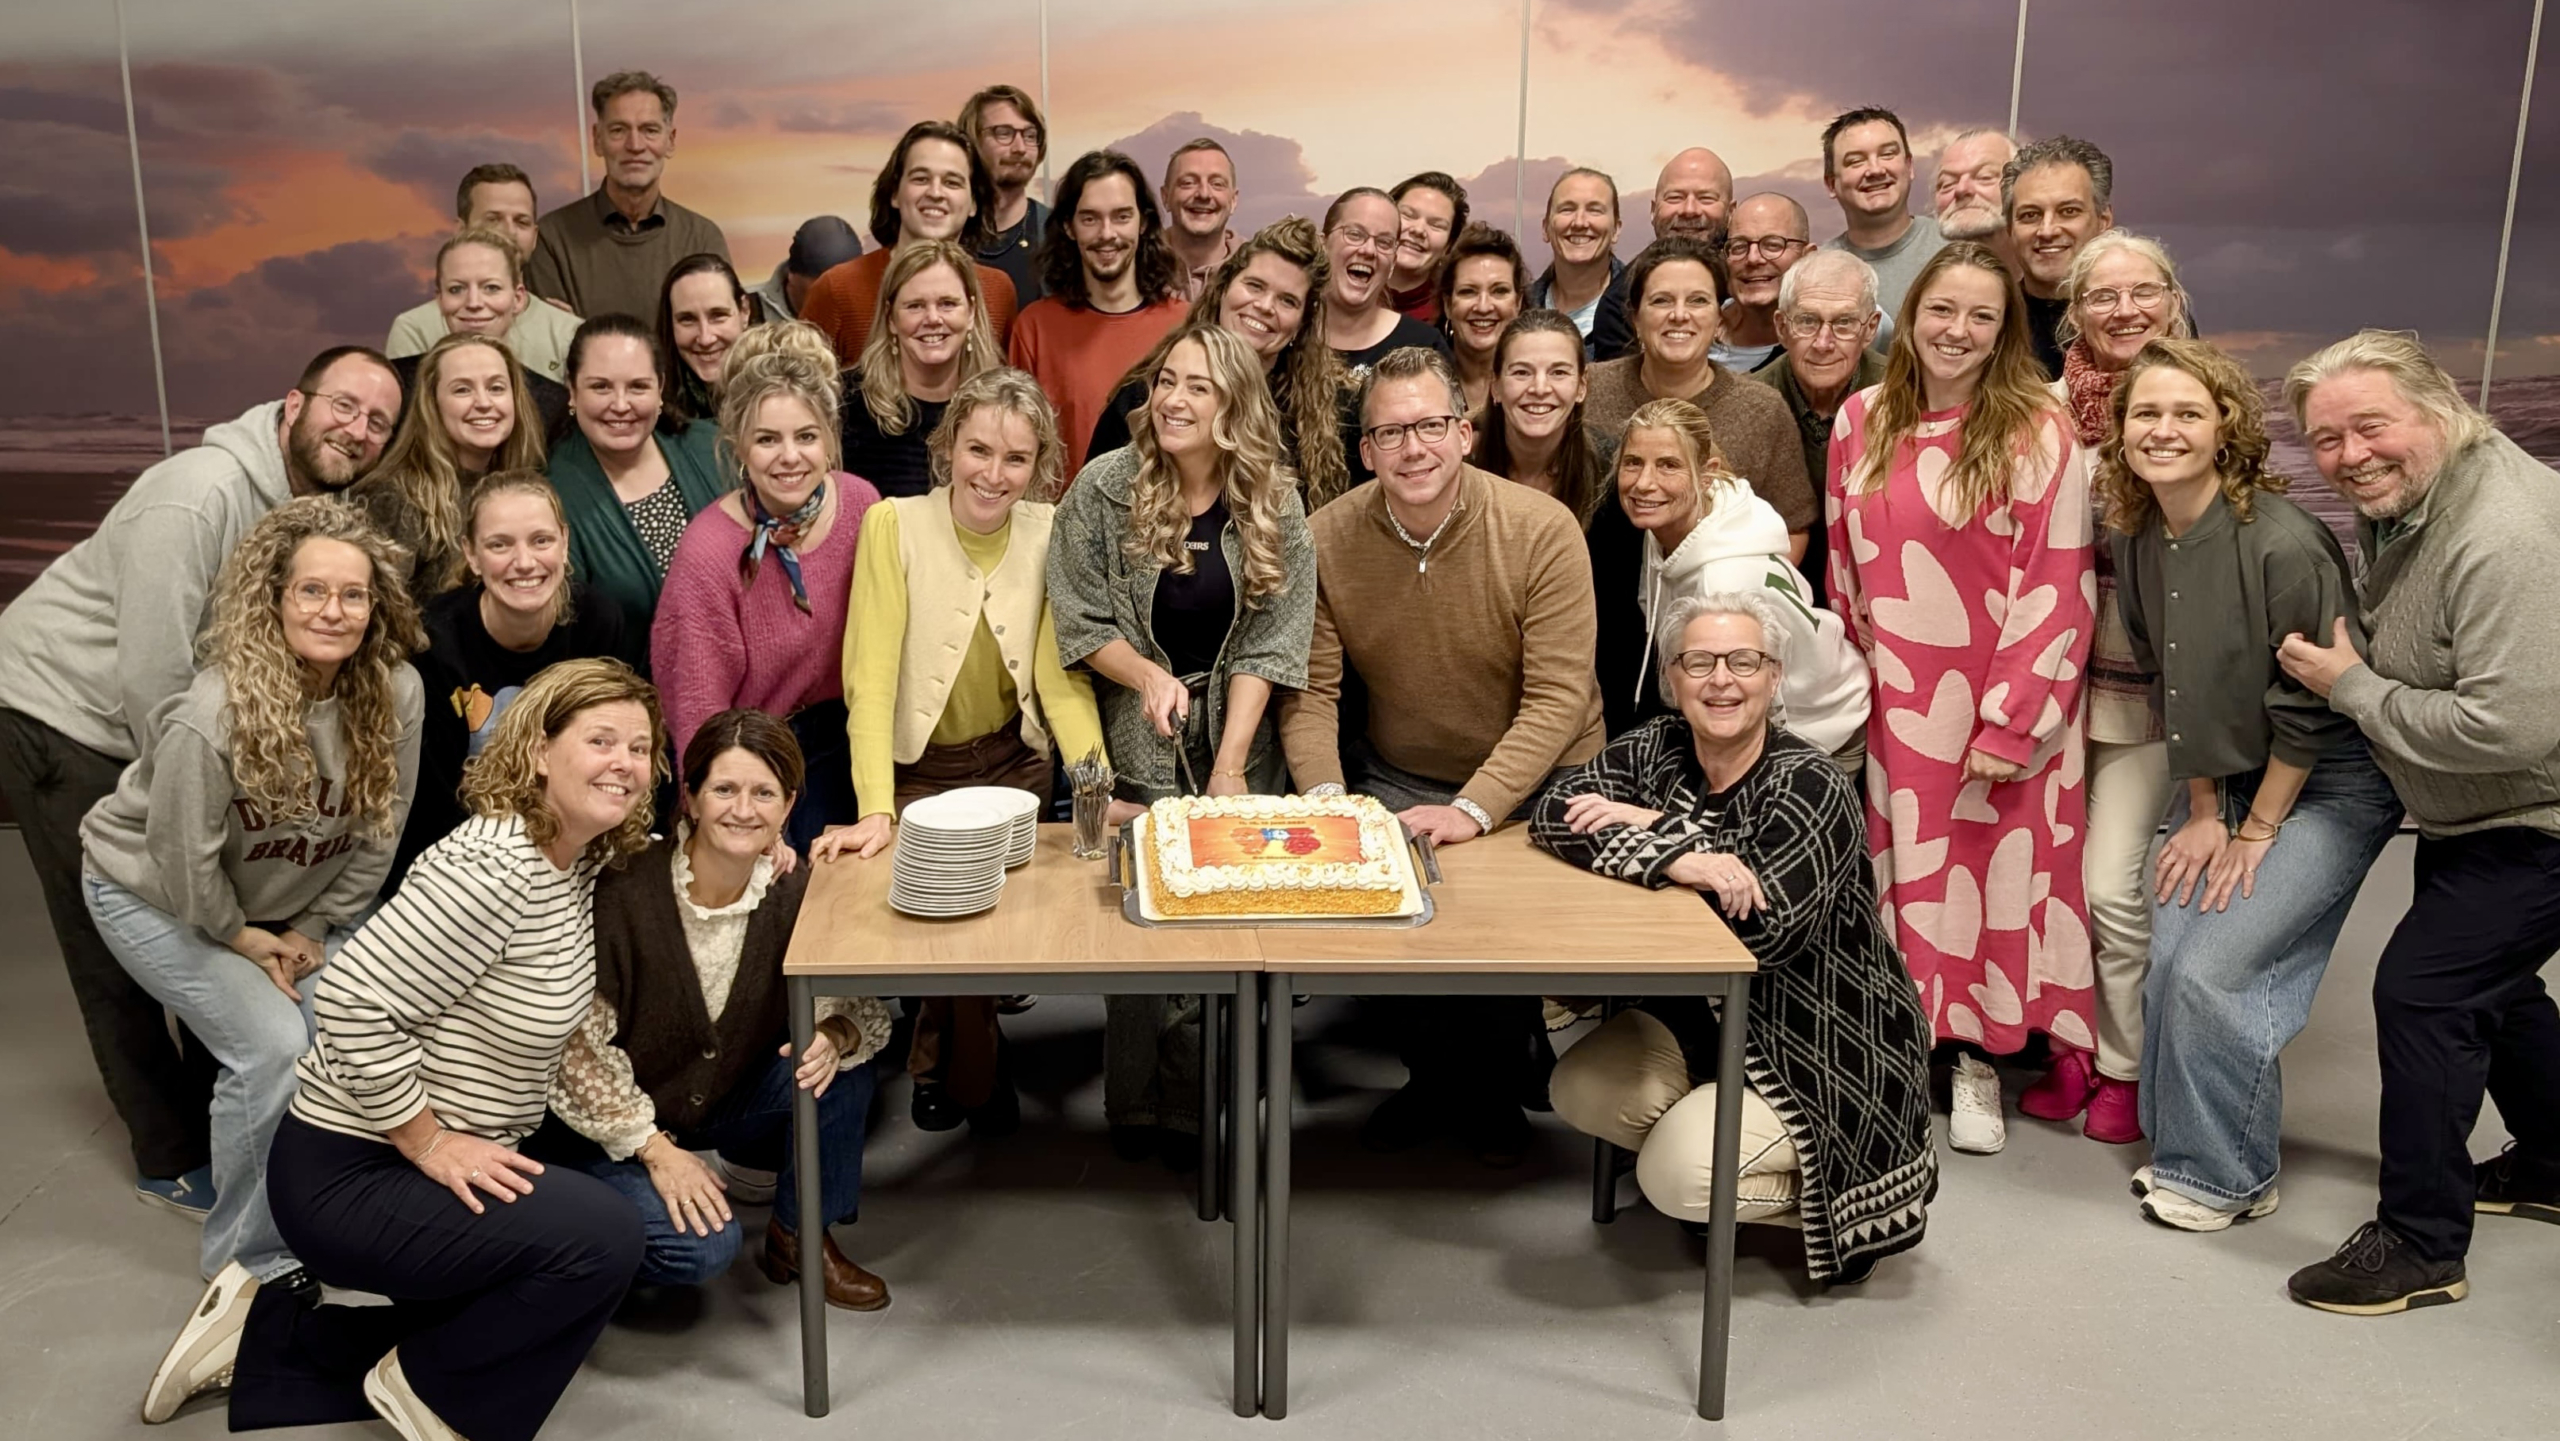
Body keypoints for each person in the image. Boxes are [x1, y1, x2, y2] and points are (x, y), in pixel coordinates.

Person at [146, 658, 657, 1440]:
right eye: (600, 740)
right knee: (604, 1239)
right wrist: (428, 1141)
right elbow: (350, 1001)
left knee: (491, 1322)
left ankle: (257, 1336)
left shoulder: (572, 860)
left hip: (396, 1158)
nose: (624, 762)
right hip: (351, 1168)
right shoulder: (494, 866)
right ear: (539, 750)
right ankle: (433, 1399)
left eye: (640, 747)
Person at [0, 346, 400, 1219]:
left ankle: (242, 1109)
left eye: (378, 421)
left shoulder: (308, 508)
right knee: (114, 941)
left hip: (163, 722)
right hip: (65, 713)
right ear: (292, 404)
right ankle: (170, 1155)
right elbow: (157, 679)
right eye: (343, 405)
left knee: (210, 936)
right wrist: (212, 787)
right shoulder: (202, 492)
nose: (358, 429)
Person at [88, 500, 420, 1424]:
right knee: (274, 1046)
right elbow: (182, 861)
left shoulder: (394, 693)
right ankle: (249, 1267)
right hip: (155, 893)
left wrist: (316, 928)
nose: (333, 609)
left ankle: (321, 1214)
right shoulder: (214, 711)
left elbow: (376, 835)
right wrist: (245, 939)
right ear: (273, 599)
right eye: (312, 589)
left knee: (343, 1028)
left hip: (290, 910)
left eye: (352, 594)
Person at [2271, 331, 2560, 1315]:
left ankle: (2419, 1244)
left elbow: (2509, 729)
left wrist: (2354, 688)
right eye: (2326, 439)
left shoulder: (2502, 534)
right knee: (2495, 981)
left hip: (2537, 811)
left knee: (2424, 991)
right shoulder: (2412, 496)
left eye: (2369, 426)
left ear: (2436, 408)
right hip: (2473, 813)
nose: (2350, 456)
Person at [2080, 339, 2394, 1231]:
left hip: (2326, 779)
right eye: (2147, 413)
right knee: (2169, 949)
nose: (2165, 429)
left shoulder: (2284, 543)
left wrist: (2253, 830)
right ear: (2122, 429)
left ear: (2226, 426)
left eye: (2187, 412)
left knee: (2215, 965)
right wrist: (2207, 810)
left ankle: (2229, 1177)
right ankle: (2182, 1148)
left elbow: (2309, 709)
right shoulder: (2137, 534)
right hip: (2227, 774)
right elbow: (2176, 686)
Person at [1537, 592, 1934, 1285]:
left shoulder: (1809, 783)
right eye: (1700, 661)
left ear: (1774, 675)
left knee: (1672, 1173)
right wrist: (1680, 857)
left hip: (1818, 1051)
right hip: (1707, 1036)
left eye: (1743, 660)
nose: (1721, 679)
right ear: (1672, 676)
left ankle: (1834, 1204)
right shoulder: (1658, 745)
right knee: (1579, 1086)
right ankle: (1716, 1140)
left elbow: (1762, 930)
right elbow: (1553, 814)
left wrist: (1646, 826)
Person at [1279, 346, 1603, 1163]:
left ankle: (1488, 1083)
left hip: (1543, 770)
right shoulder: (1326, 536)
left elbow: (1558, 698)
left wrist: (1474, 807)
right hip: (1402, 766)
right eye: (1390, 433)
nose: (1412, 449)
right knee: (1390, 906)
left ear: (1464, 431)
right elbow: (1313, 692)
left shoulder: (1541, 529)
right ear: (1366, 451)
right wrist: (1327, 800)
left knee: (1490, 913)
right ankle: (1440, 1074)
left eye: (1429, 426)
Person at [1825, 240, 2096, 1156]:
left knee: (1986, 886)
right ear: (1913, 313)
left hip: (1998, 707)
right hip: (1896, 708)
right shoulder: (1859, 421)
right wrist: (1860, 688)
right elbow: (1844, 571)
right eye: (1944, 309)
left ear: (2004, 330)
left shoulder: (2035, 429)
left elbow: (2057, 581)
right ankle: (1906, 1055)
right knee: (1902, 885)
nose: (1959, 330)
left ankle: (1977, 1059)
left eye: (1983, 315)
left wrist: (2008, 720)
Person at [1051, 326, 1317, 1157]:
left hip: (1241, 741)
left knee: (1235, 935)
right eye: (1167, 380)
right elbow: (1081, 619)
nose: (1172, 398)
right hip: (1140, 740)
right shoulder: (1103, 488)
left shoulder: (1274, 499)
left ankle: (1220, 1109)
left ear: (1233, 403)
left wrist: (1233, 763)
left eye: (1198, 387)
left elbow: (1275, 641)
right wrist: (1145, 677)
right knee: (1146, 934)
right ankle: (1140, 1112)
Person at [820, 369, 1105, 1132]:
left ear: (1040, 463)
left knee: (985, 931)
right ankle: (970, 1074)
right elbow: (870, 677)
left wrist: (1093, 776)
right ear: (947, 449)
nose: (994, 473)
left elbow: (1058, 672)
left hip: (1014, 766)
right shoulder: (893, 524)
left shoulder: (1049, 529)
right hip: (922, 770)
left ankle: (945, 1065)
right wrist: (875, 806)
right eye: (978, 449)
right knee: (948, 930)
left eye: (1016, 458)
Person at [540, 710, 896, 1310]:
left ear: (788, 807)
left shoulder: (791, 889)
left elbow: (857, 1010)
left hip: (719, 1100)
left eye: (764, 794)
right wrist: (655, 1149)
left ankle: (800, 1235)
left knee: (843, 1066)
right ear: (693, 797)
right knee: (702, 1251)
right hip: (608, 1126)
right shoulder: (623, 888)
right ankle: (571, 1247)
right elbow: (576, 1052)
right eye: (725, 789)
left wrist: (833, 1035)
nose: (743, 810)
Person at [2016, 230, 2194, 1144]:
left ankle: (2123, 1063)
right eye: (2102, 296)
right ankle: (2066, 1042)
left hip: (2139, 694)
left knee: (2109, 883)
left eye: (2144, 291)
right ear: (2072, 312)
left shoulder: (2200, 402)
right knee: (2042, 880)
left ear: (2172, 297)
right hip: (2043, 685)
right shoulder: (2042, 413)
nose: (2125, 310)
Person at [652, 322, 881, 849]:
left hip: (855, 733)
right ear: (738, 448)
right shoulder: (709, 552)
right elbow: (697, 711)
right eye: (767, 440)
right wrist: (746, 810)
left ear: (829, 441)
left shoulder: (863, 505)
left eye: (805, 436)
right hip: (758, 751)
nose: (789, 457)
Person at [394, 471, 637, 890]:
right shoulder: (433, 642)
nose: (524, 562)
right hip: (464, 861)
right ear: (471, 555)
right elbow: (432, 807)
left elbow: (617, 759)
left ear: (564, 541)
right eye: (499, 545)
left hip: (575, 848)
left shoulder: (599, 624)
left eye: (541, 540)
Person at [1611, 398, 1869, 764]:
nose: (1644, 483)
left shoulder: (1724, 581)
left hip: (1817, 732)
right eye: (1633, 463)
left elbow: (1760, 702)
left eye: (1668, 465)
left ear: (1707, 473)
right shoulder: (1680, 523)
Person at [1087, 216, 1356, 509]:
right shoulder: (1145, 397)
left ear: (1302, 324)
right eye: (1254, 286)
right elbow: (1090, 515)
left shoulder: (1329, 415)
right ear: (1223, 289)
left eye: (1287, 301)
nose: (1265, 306)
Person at [546, 314, 727, 660]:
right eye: (601, 387)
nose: (620, 404)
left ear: (660, 387)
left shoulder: (716, 448)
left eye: (637, 386)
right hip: (633, 695)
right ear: (572, 390)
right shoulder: (552, 496)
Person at [1009, 150, 1188, 479]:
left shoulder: (1185, 326)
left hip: (1166, 522)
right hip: (1059, 523)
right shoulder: (1035, 329)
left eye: (1121, 216)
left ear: (1143, 222)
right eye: (1090, 218)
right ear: (1069, 226)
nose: (1107, 233)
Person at [801, 120, 1022, 365]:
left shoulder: (999, 291)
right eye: (920, 179)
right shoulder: (837, 289)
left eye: (952, 182)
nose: (936, 193)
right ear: (895, 193)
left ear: (973, 204)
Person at [359, 332, 550, 604]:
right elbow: (380, 616)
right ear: (433, 404)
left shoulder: (526, 486)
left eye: (496, 388)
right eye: (462, 389)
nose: (484, 403)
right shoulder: (395, 498)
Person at [528, 71, 728, 329]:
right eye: (619, 130)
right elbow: (552, 351)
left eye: (650, 130)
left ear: (670, 141)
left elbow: (713, 338)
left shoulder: (702, 238)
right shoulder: (552, 238)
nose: (635, 145)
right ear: (597, 140)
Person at [1744, 247, 1884, 611]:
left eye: (1844, 323)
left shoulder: (1906, 397)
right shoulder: (1748, 404)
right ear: (1782, 327)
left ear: (1870, 329)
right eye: (1807, 321)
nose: (1823, 343)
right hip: (1771, 604)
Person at [385, 164, 582, 384]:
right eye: (493, 219)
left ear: (534, 236)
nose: (510, 231)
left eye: (521, 222)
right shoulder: (415, 329)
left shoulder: (568, 332)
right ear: (461, 229)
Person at [843, 238, 1006, 499]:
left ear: (972, 312)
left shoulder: (1004, 405)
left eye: (947, 304)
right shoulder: (844, 404)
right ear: (891, 318)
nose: (932, 318)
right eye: (915, 306)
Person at [1468, 308, 1609, 527]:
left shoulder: (1609, 473)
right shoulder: (1461, 462)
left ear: (1582, 386)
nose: (1540, 388)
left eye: (1559, 372)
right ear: (1495, 386)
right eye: (1522, 372)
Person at [1818, 106, 1945, 347]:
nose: (1875, 170)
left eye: (1888, 154)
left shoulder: (1954, 253)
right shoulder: (1817, 270)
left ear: (1909, 167)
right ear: (1831, 184)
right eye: (1855, 161)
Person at [2004, 136, 2116, 378]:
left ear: (2103, 221)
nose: (2047, 230)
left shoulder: (2145, 315)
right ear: (2009, 229)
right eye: (2030, 215)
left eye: (2068, 212)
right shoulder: (1991, 321)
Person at [1320, 187, 1449, 386]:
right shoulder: (1288, 332)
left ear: (1392, 262)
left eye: (1384, 242)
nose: (1368, 250)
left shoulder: (1424, 345)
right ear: (1323, 245)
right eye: (1355, 234)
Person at [960, 84, 1051, 305]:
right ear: (971, 142)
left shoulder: (1056, 232)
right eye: (1004, 134)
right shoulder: (945, 230)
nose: (1020, 147)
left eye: (1030, 135)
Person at [1530, 168, 1631, 359]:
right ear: (1545, 228)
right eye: (1567, 209)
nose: (1579, 222)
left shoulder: (1641, 308)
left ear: (1616, 230)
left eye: (1595, 210)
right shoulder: (1518, 309)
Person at [1712, 194, 1811, 370]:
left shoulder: (1828, 343)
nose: (1753, 258)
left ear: (1807, 256)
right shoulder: (1697, 329)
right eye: (1739, 246)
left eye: (1773, 245)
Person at [1438, 222, 1528, 415]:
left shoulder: (1539, 384)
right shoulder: (1424, 380)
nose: (1483, 307)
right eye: (1468, 292)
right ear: (1447, 305)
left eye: (1499, 291)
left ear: (1518, 302)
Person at [657, 252, 755, 424]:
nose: (705, 338)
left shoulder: (783, 390)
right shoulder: (653, 406)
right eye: (687, 319)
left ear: (744, 311)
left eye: (718, 315)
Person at [1385, 171, 1469, 323]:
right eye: (1408, 215)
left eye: (1436, 225)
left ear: (1449, 245)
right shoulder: (1342, 295)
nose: (1418, 230)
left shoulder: (1451, 319)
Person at [1164, 138, 1242, 301]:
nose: (1204, 194)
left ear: (1233, 201)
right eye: (1188, 183)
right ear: (1165, 197)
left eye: (1217, 184)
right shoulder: (1133, 270)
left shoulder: (1257, 274)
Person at [749, 215, 863, 323]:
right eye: (822, 293)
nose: (836, 304)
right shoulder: (746, 315)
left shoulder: (871, 310)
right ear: (792, 275)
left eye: (846, 293)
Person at [1932, 127, 2017, 252]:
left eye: (1984, 177)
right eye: (1947, 183)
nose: (1961, 189)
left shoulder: (2051, 268)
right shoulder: (1920, 269)